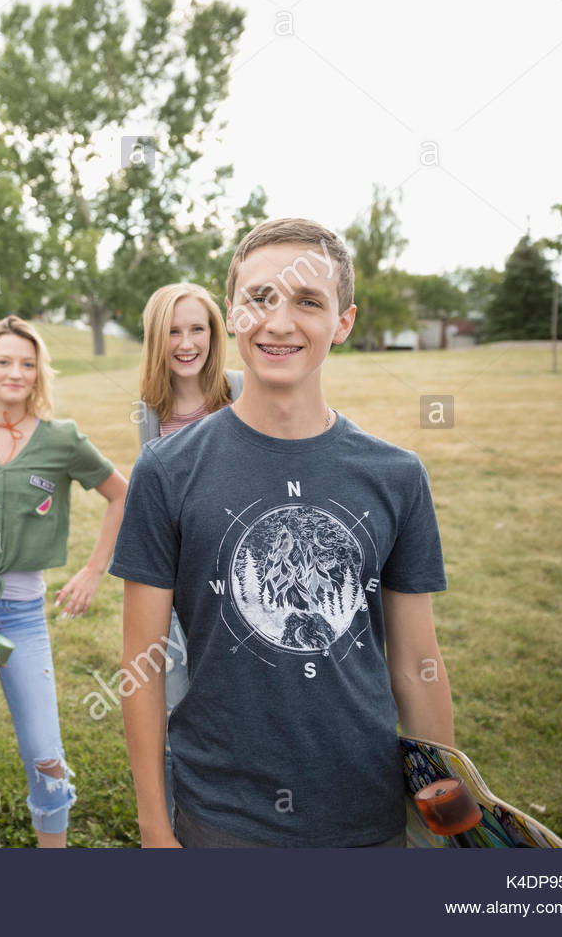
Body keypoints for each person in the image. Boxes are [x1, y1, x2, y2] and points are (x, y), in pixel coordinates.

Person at [112, 218, 454, 847]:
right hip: (221, 819)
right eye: (260, 298)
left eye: (308, 301)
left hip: (367, 817)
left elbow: (417, 664)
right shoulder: (166, 470)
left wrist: (451, 819)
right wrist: (154, 828)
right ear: (234, 314)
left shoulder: (397, 476)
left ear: (343, 323)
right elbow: (143, 662)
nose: (279, 322)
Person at [0, 316, 127, 848]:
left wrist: (94, 570)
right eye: (4, 361)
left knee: (45, 749)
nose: (15, 372)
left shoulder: (61, 440)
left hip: (22, 614)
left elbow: (122, 493)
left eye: (27, 363)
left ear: (39, 372)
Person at [134, 283, 243, 821]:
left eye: (197, 328)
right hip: (179, 588)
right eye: (173, 331)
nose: (186, 342)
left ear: (215, 332)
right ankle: (178, 822)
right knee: (174, 706)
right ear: (157, 338)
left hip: (239, 579)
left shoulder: (240, 392)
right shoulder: (148, 414)